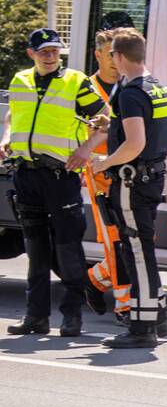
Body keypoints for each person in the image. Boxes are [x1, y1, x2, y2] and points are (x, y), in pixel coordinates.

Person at [0, 28, 106, 337]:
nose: (50, 56)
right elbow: (13, 116)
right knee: (36, 250)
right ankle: (36, 317)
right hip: (27, 174)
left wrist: (86, 151)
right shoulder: (20, 80)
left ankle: (72, 317)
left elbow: (105, 119)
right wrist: (7, 139)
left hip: (61, 176)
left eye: (54, 51)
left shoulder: (76, 82)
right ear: (31, 54)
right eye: (43, 51)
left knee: (67, 249)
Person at [90, 28, 167, 348]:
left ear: (120, 56)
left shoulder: (131, 93)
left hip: (132, 180)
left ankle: (141, 328)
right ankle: (160, 316)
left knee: (136, 251)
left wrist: (104, 162)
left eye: (113, 54)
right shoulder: (156, 87)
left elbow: (135, 143)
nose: (112, 59)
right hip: (153, 177)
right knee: (144, 250)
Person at [82, 28, 132, 323]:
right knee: (115, 240)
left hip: (128, 174)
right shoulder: (84, 89)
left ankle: (95, 279)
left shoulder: (130, 85)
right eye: (109, 54)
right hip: (100, 176)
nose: (115, 60)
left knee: (136, 238)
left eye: (118, 54)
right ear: (97, 55)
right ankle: (124, 305)